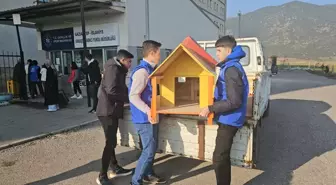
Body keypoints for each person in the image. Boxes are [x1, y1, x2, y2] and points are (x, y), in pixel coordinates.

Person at [199, 35, 249, 185]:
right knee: (222, 156)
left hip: (230, 119)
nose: (217, 54)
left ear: (228, 50)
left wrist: (210, 108)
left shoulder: (231, 69)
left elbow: (234, 101)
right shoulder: (230, 66)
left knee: (219, 158)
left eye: (219, 50)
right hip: (227, 116)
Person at [129, 40, 166, 185]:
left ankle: (148, 174)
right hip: (144, 119)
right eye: (158, 53)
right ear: (151, 53)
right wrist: (149, 110)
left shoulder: (151, 69)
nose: (160, 56)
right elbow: (133, 96)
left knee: (152, 148)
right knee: (149, 151)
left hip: (151, 117)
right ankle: (135, 181)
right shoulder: (142, 72)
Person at [95, 49, 134, 185]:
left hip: (110, 110)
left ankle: (115, 167)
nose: (130, 64)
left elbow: (119, 87)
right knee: (110, 143)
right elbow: (112, 91)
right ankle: (102, 175)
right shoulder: (113, 69)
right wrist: (128, 98)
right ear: (122, 60)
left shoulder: (116, 68)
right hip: (108, 111)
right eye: (129, 62)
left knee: (111, 141)